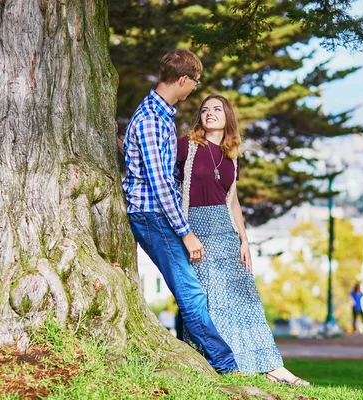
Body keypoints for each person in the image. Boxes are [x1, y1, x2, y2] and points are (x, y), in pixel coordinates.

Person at [176, 94, 309, 386]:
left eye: (217, 109)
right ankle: (218, 364)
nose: (210, 113)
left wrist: (244, 240)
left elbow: (232, 199)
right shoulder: (186, 146)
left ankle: (272, 367)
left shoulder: (231, 154)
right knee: (206, 301)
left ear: (228, 117)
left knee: (245, 300)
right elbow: (161, 176)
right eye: (205, 109)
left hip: (226, 232)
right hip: (195, 229)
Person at [122, 50, 238, 373]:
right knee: (191, 293)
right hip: (152, 215)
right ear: (183, 80)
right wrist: (186, 233)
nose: (193, 90)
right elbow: (160, 185)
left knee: (189, 291)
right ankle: (227, 366)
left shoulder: (161, 116)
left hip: (160, 214)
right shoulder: (150, 120)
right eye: (194, 83)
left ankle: (200, 359)